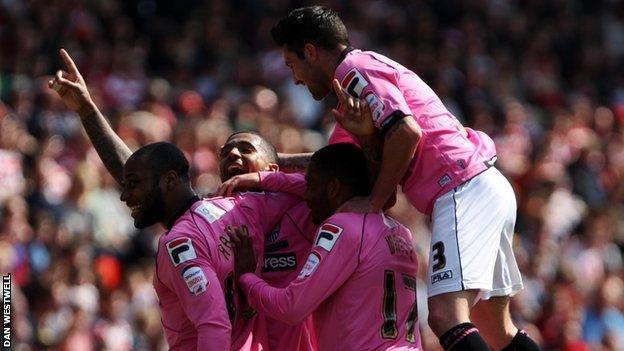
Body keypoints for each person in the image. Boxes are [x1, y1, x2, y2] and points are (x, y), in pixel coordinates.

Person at [270, 6, 540, 351]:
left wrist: (375, 200)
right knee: (494, 327)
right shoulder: (354, 93)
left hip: (460, 188)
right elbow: (334, 165)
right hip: (484, 185)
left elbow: (406, 133)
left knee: (444, 315)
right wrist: (276, 162)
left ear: (310, 52)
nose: (295, 78)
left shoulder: (354, 70)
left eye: (292, 66)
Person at [48, 49, 313, 350]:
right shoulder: (235, 209)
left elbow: (345, 172)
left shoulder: (303, 210)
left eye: (245, 150)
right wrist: (88, 112)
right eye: (225, 152)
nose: (232, 156)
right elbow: (142, 177)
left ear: (273, 168)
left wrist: (272, 173)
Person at [223, 143, 421, 351]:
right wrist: (266, 178)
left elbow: (291, 306)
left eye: (310, 185)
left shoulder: (341, 227)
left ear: (333, 188)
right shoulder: (401, 233)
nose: (306, 196)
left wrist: (247, 277)